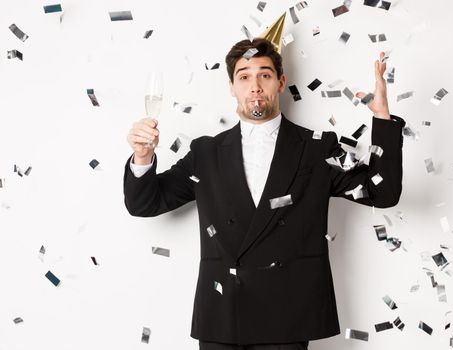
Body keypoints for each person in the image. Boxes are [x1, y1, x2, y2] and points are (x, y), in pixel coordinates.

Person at [124, 37, 405, 349]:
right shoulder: (205, 153)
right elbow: (144, 203)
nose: (254, 86)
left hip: (287, 317)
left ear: (280, 82)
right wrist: (143, 156)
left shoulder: (318, 147)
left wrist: (382, 118)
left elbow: (381, 192)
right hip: (221, 317)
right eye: (244, 76)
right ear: (231, 86)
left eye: (265, 75)